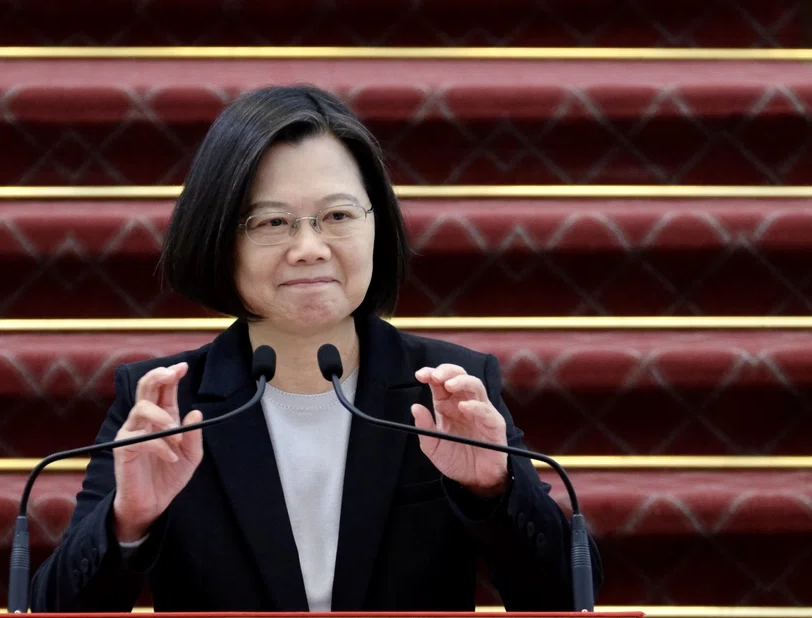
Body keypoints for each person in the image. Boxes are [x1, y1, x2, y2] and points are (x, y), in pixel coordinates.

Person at [30, 85, 603, 613]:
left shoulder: (446, 387)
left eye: (337, 216)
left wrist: (494, 490)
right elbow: (56, 611)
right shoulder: (165, 405)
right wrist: (129, 521)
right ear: (217, 237)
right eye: (271, 222)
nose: (309, 248)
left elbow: (565, 599)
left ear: (376, 226)